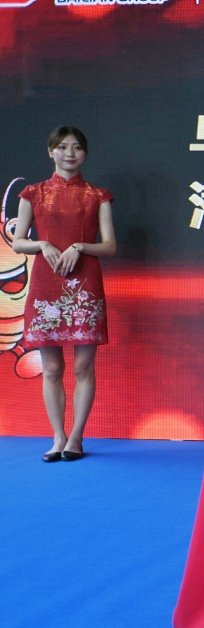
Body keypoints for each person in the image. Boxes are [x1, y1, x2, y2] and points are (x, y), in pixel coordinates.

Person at [11, 127, 117, 462]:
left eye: (77, 148)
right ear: (50, 152)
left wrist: (80, 246)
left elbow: (110, 246)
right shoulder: (33, 193)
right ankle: (57, 437)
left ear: (85, 153)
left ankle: (76, 438)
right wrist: (43, 244)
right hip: (46, 283)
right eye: (62, 147)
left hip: (85, 284)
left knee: (84, 367)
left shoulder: (98, 195)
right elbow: (18, 242)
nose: (69, 154)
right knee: (53, 368)